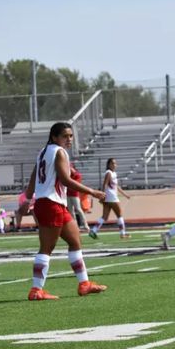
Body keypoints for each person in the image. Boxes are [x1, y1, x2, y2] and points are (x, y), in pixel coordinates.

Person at [24, 122, 107, 300]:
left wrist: (28, 196)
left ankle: (84, 284)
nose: (69, 139)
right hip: (50, 203)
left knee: (75, 241)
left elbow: (33, 176)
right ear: (54, 137)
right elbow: (66, 180)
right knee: (46, 248)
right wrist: (92, 191)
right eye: (65, 136)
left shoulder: (43, 151)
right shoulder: (59, 152)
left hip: (54, 203)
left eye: (71, 136)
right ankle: (36, 290)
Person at [89, 158, 131, 239]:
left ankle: (93, 231)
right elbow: (104, 184)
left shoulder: (114, 173)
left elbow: (116, 186)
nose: (114, 165)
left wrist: (125, 194)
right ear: (108, 165)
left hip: (108, 197)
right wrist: (102, 195)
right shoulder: (108, 173)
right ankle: (123, 234)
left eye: (115, 163)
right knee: (119, 215)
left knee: (105, 216)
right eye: (112, 163)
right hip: (112, 197)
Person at [66, 163, 90, 233]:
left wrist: (69, 184)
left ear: (73, 167)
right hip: (68, 194)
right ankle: (75, 227)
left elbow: (75, 185)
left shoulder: (77, 175)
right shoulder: (68, 175)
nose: (68, 169)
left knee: (78, 209)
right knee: (71, 211)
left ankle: (86, 225)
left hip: (75, 194)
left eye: (69, 167)